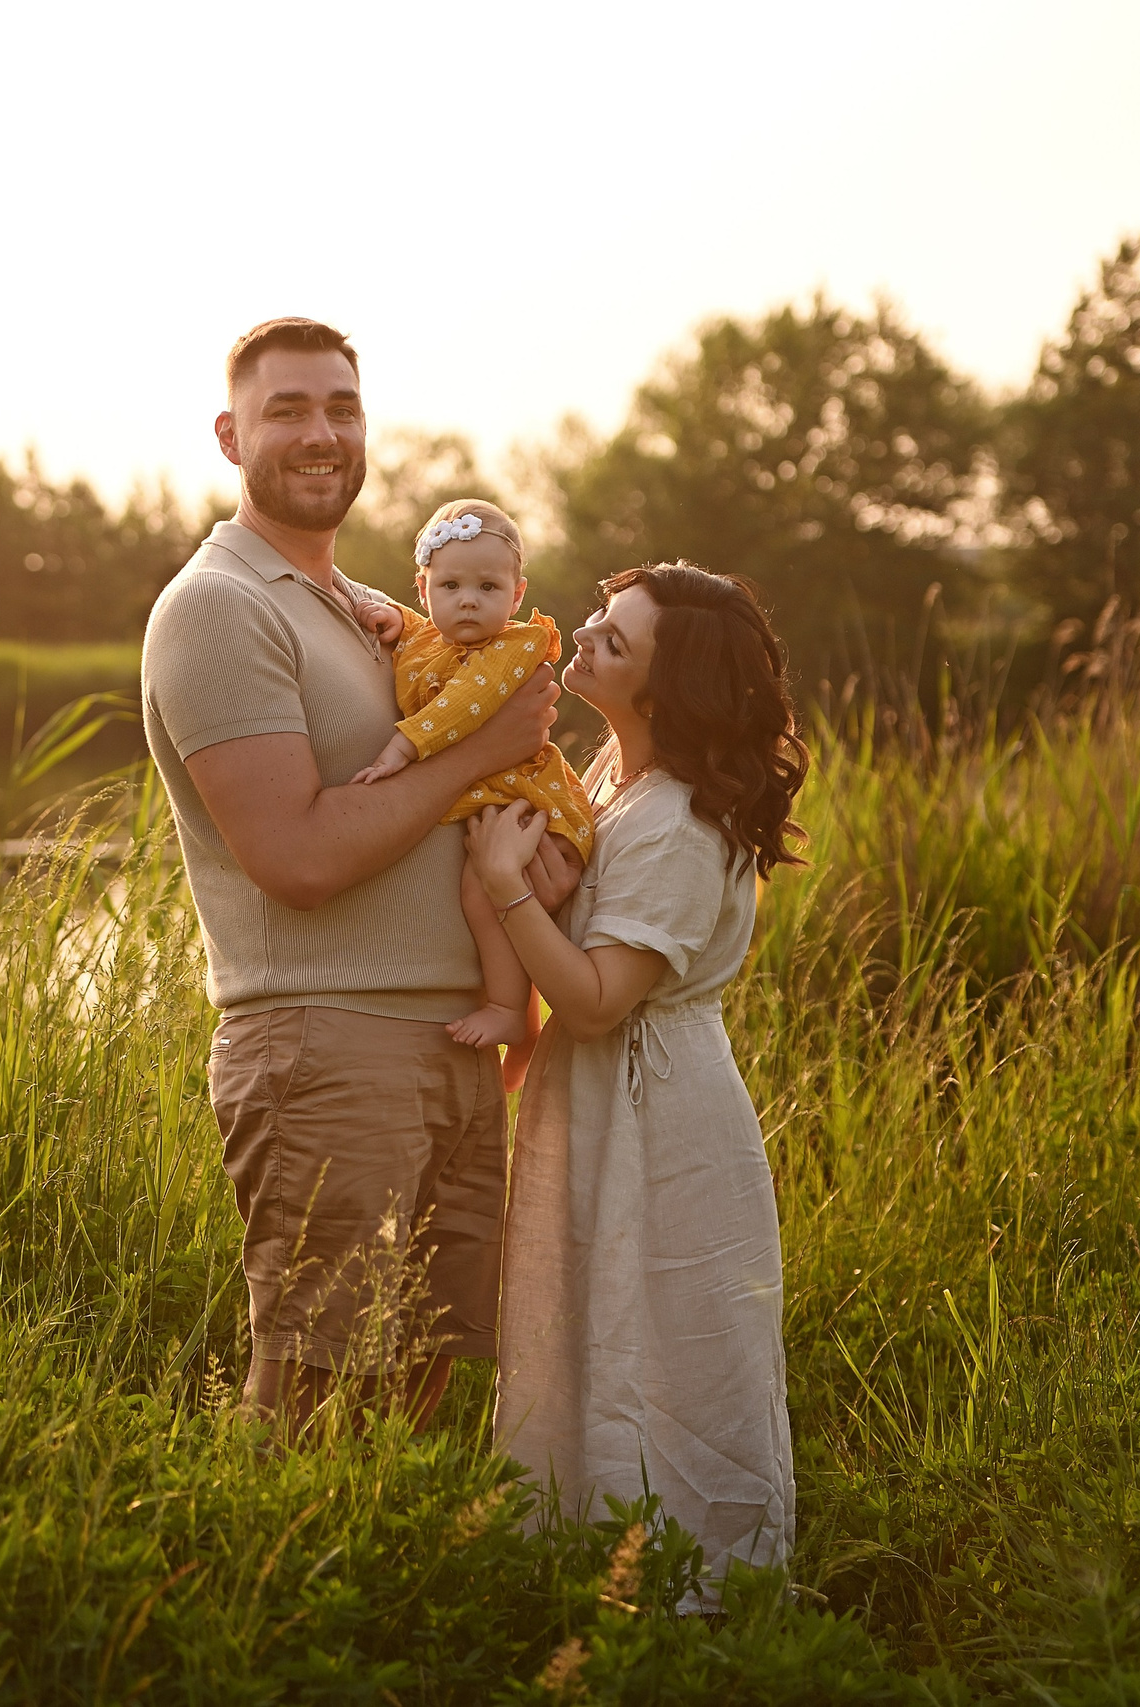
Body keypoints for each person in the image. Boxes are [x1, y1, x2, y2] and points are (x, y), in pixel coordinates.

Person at [139, 318, 578, 1434]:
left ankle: (392, 1607)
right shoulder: (217, 608)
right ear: (231, 436)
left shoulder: (373, 611)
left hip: (448, 1048)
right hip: (325, 1045)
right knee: (312, 1402)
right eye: (288, 409)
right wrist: (483, 752)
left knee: (420, 1398)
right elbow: (294, 859)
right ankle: (262, 1598)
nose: (321, 432)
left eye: (342, 407)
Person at [466, 562, 810, 1600]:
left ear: (661, 694)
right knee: (597, 1323)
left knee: (665, 1338)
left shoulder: (673, 819)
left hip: (655, 1107)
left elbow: (597, 1001)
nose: (583, 638)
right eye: (597, 622)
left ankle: (693, 1595)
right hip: (608, 1097)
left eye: (612, 640)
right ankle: (594, 1565)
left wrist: (501, 887)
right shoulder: (619, 787)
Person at [342, 499, 596, 1050]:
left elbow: (462, 706)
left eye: (488, 588)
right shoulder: (431, 638)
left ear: (517, 594)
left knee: (483, 892)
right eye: (450, 587)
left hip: (529, 807)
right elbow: (418, 635)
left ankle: (508, 1010)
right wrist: (396, 621)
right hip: (499, 804)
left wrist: (402, 749)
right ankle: (525, 1033)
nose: (468, 603)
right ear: (423, 588)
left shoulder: (509, 649)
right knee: (493, 897)